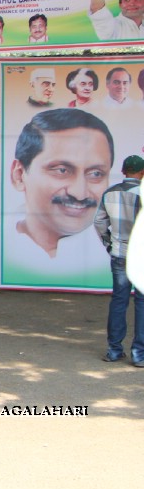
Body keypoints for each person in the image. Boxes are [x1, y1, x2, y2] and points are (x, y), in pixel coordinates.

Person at [8, 108, 113, 261]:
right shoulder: (10, 247)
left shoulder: (111, 257)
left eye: (96, 174)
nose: (79, 193)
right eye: (62, 170)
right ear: (19, 175)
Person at [94, 155, 144, 365]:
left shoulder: (110, 192)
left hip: (119, 254)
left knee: (119, 301)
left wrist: (109, 243)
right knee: (142, 303)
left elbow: (99, 222)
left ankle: (114, 350)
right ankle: (139, 354)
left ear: (124, 171)